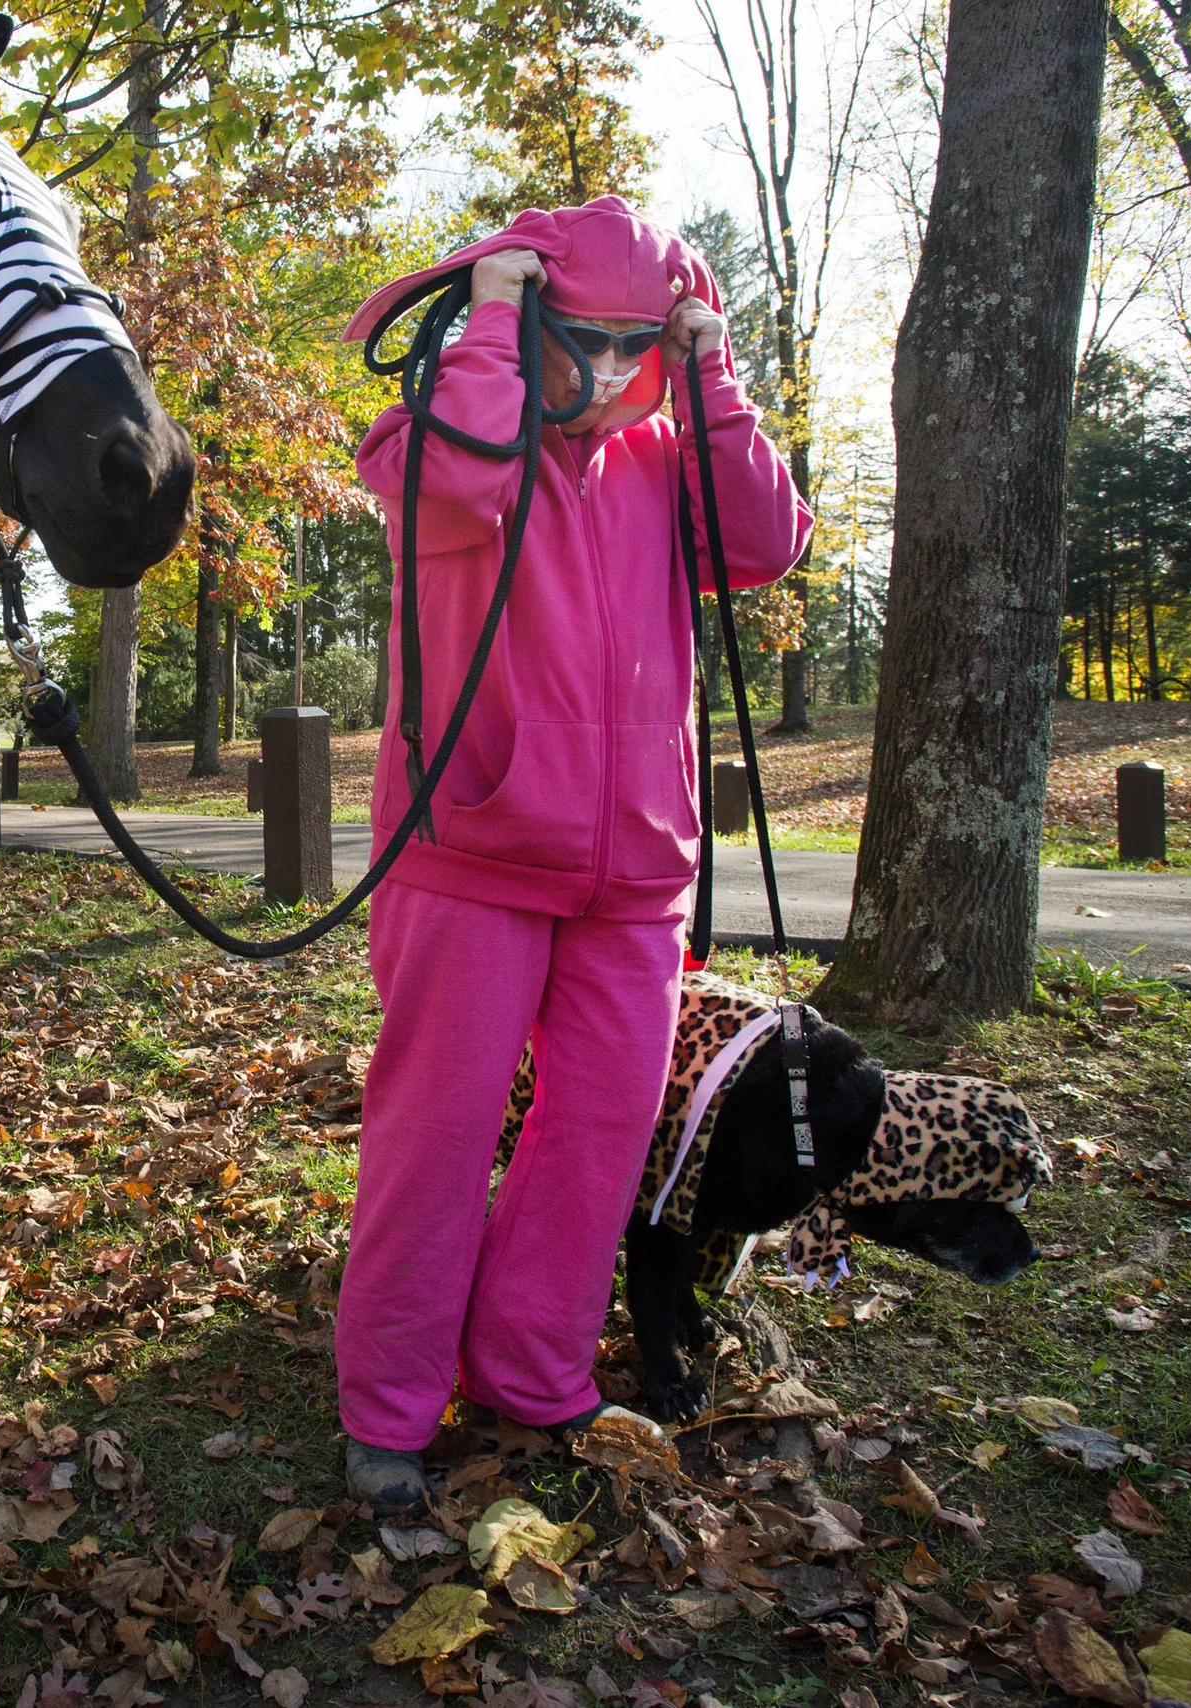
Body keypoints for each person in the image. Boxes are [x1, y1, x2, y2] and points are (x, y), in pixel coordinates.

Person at [333, 197, 811, 1510]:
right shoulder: (432, 433)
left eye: (629, 348)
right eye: (576, 340)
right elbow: (460, 479)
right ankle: (387, 1411)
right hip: (472, 849)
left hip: (637, 872)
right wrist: (490, 317)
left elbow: (766, 543)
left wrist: (709, 368)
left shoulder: (671, 454)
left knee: (597, 1135)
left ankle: (530, 1370)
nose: (604, 376)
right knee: (434, 1138)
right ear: (527, 322)